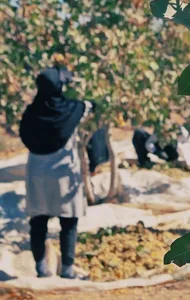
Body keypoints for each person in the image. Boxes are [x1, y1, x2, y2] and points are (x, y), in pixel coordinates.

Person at [19, 66, 94, 279]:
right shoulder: (73, 109)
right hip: (63, 171)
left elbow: (23, 135)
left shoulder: (31, 113)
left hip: (36, 172)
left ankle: (42, 270)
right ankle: (68, 270)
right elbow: (89, 106)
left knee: (38, 221)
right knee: (68, 221)